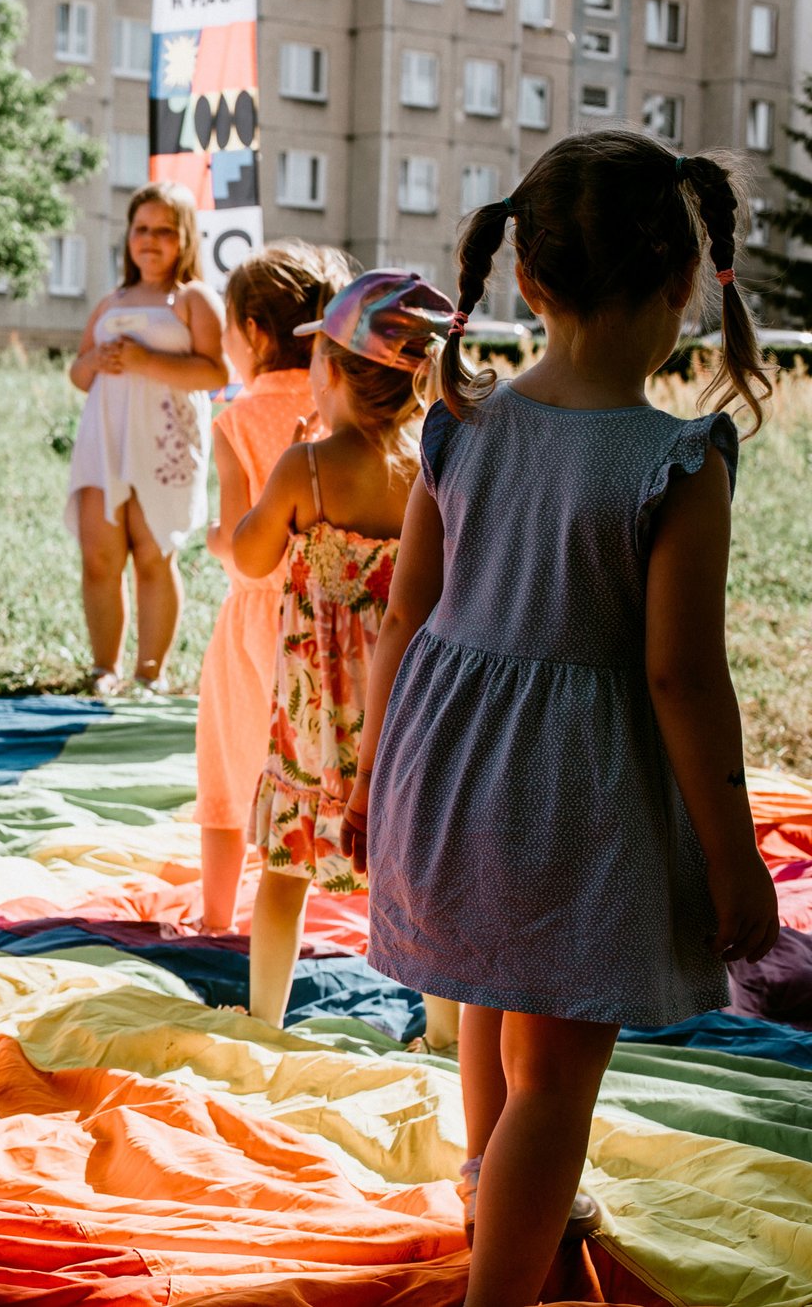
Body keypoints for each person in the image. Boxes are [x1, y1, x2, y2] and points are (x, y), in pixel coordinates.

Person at [344, 132, 780, 1307]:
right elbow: (681, 680)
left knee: (486, 1004)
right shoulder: (675, 458)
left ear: (524, 279)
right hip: (571, 797)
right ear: (682, 283)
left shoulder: (455, 423)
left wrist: (369, 776)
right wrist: (733, 857)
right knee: (552, 1077)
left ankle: (497, 1193)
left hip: (443, 769)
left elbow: (402, 618)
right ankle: (505, 1273)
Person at [230, 270, 460, 1055]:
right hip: (411, 701)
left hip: (316, 711)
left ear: (329, 371)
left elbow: (253, 556)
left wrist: (274, 481)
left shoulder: (310, 468)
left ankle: (265, 1017)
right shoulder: (434, 468)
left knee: (286, 869)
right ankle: (442, 1030)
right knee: (421, 866)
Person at [192, 240, 351, 934]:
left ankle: (218, 917)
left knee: (229, 771)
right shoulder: (349, 410)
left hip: (258, 622)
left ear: (252, 333)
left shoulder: (235, 421)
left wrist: (215, 539)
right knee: (324, 769)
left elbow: (243, 552)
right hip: (338, 621)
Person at [65, 183, 228, 696]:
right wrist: (94, 362)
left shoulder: (193, 298)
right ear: (128, 237)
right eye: (141, 229)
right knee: (100, 555)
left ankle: (149, 673)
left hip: (165, 445)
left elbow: (215, 372)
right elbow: (78, 372)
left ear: (184, 237)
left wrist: (145, 361)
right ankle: (103, 668)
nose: (150, 240)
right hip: (106, 440)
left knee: (154, 554)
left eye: (163, 230)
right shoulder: (112, 301)